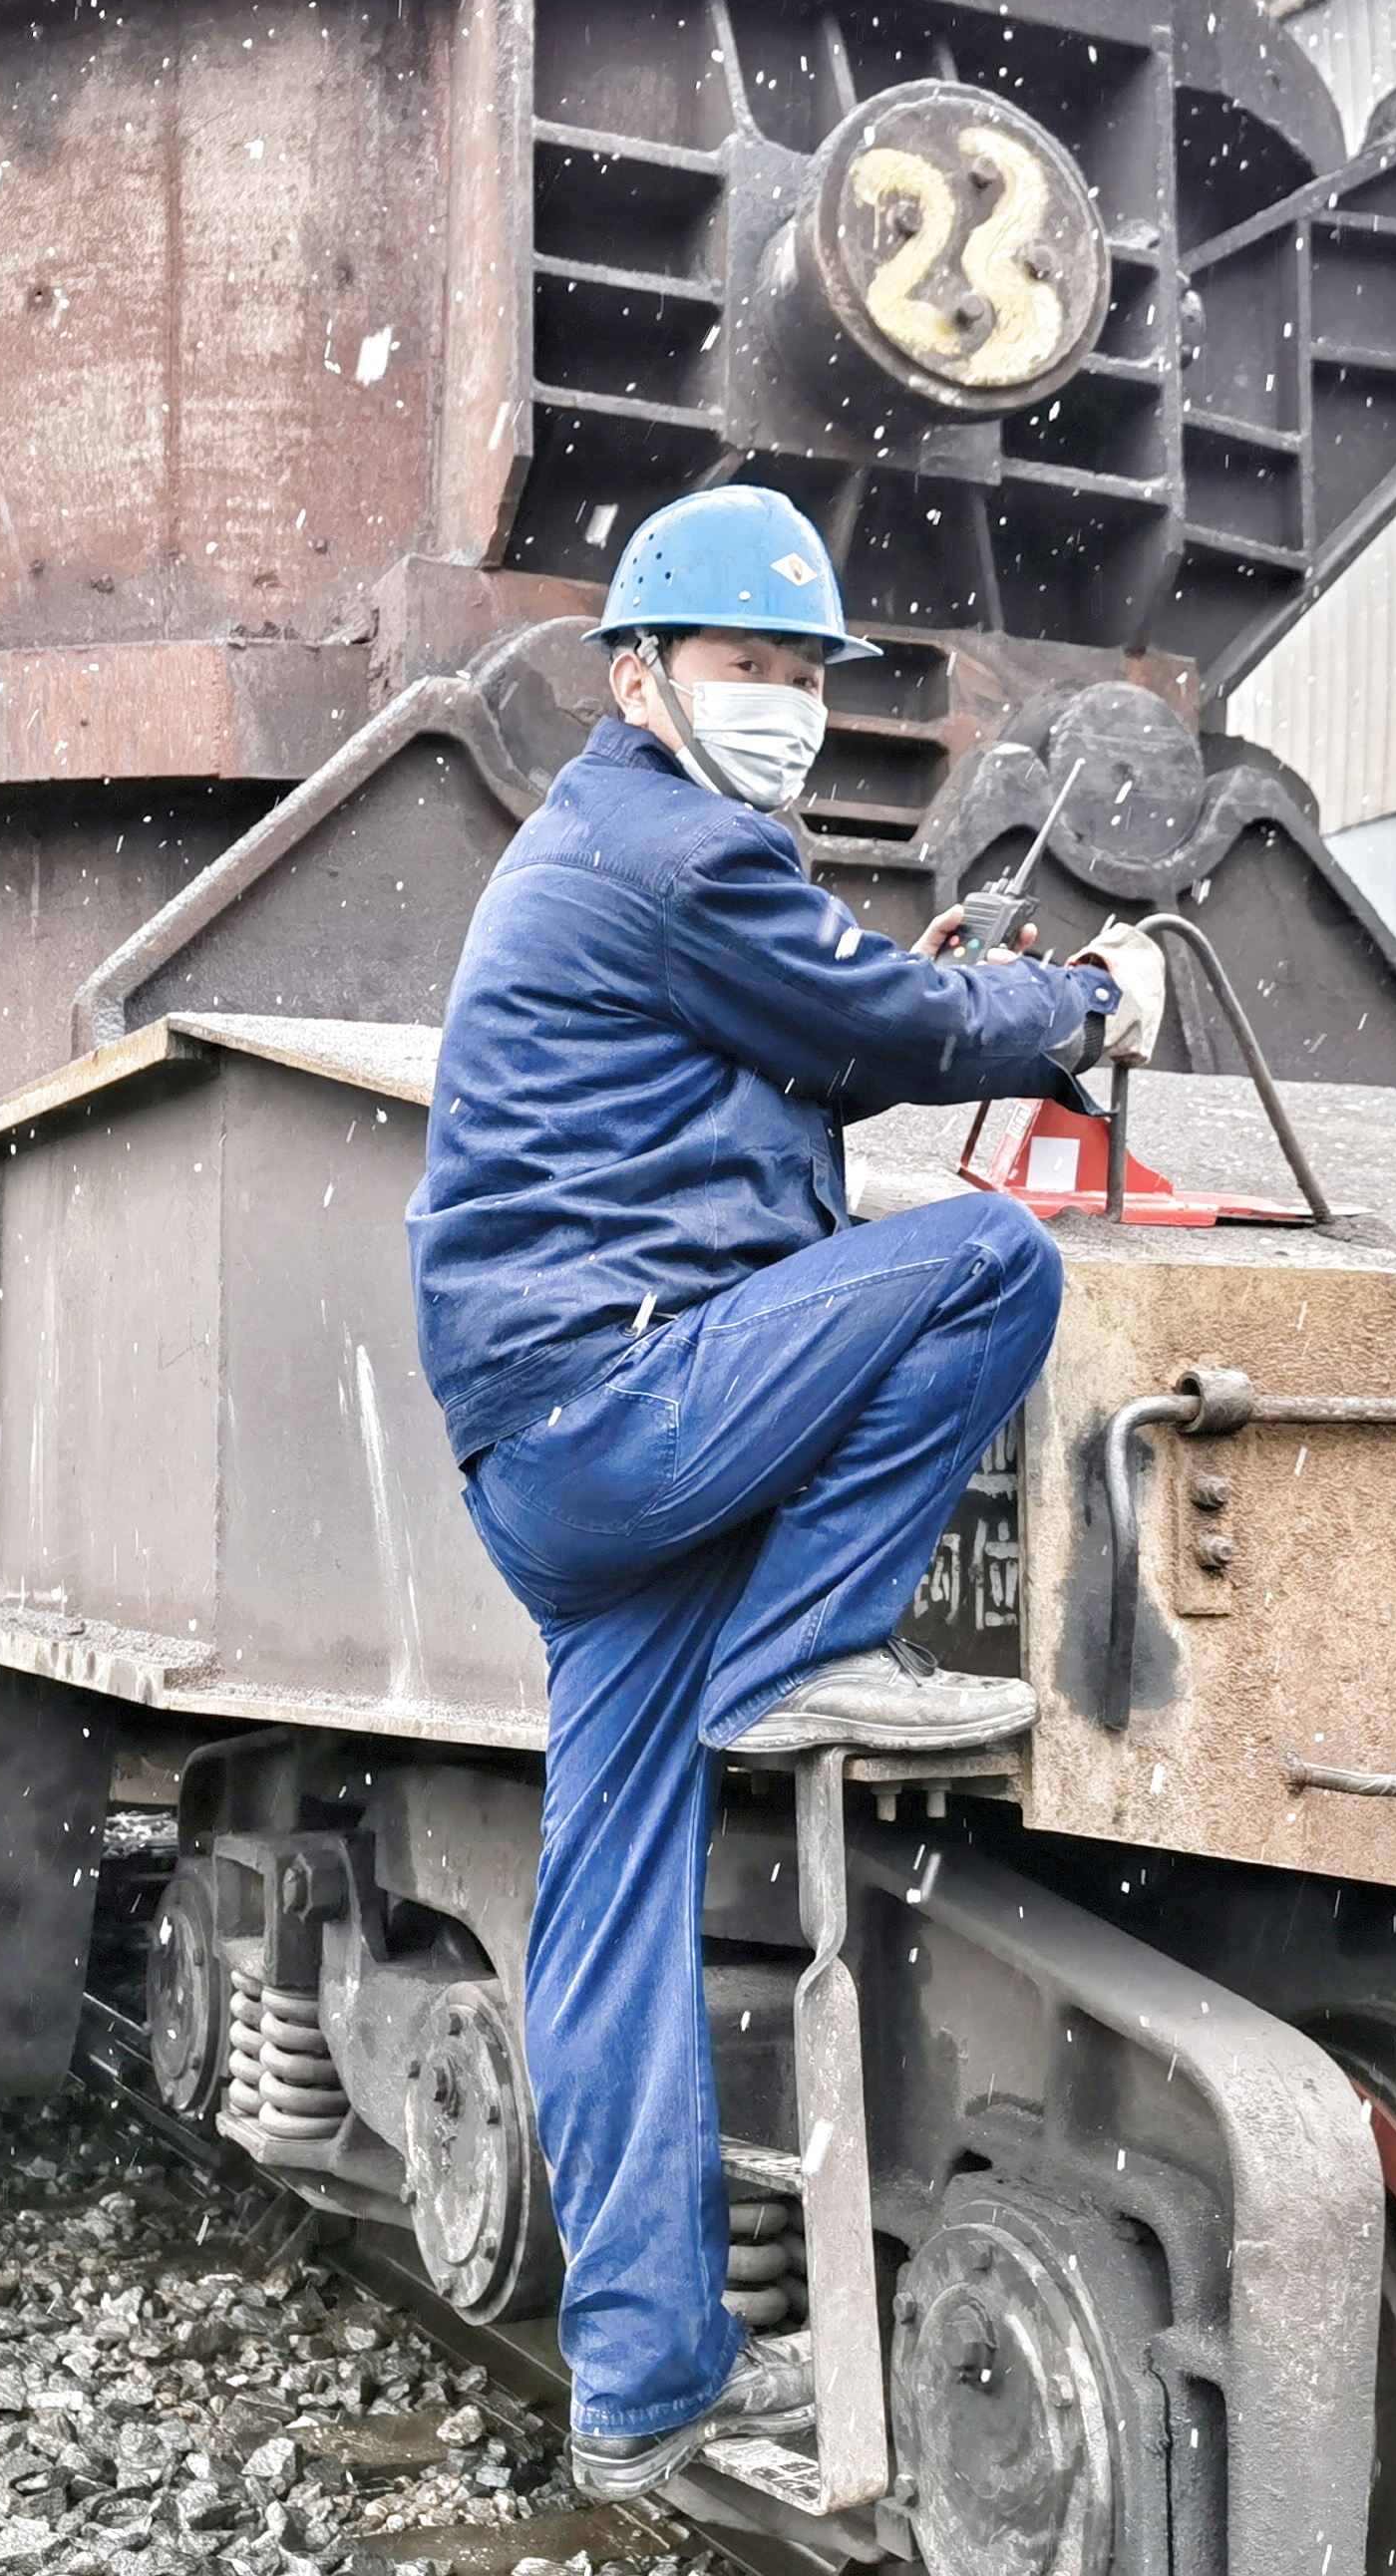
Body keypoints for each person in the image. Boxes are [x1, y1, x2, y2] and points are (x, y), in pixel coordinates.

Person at [404, 483, 1167, 2496]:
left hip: (551, 1452)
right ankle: (805, 1657)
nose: (785, 706)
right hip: (627, 1398)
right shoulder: (663, 849)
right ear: (635, 676)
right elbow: (881, 1030)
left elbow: (808, 1038)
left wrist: (916, 981)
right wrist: (1080, 1008)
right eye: (746, 666)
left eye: (804, 673)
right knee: (987, 1261)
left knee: (606, 1911)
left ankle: (643, 2382)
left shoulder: (627, 852)